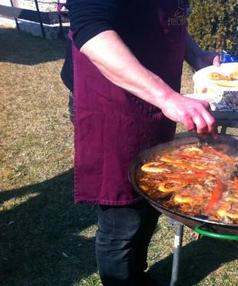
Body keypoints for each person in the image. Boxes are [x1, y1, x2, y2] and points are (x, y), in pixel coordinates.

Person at [60, 0, 219, 285]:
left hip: (153, 98)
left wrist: (196, 56)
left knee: (150, 198)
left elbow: (168, 21)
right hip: (110, 102)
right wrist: (167, 97)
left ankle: (136, 276)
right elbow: (90, 28)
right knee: (122, 216)